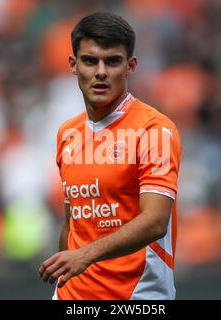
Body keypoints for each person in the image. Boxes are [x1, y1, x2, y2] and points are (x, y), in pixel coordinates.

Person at [38, 12, 181, 300]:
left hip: (136, 296)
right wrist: (65, 268)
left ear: (131, 66)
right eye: (90, 61)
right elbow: (73, 221)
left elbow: (155, 221)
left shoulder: (155, 130)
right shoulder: (68, 133)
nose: (100, 71)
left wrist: (84, 256)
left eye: (112, 61)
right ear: (73, 65)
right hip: (72, 296)